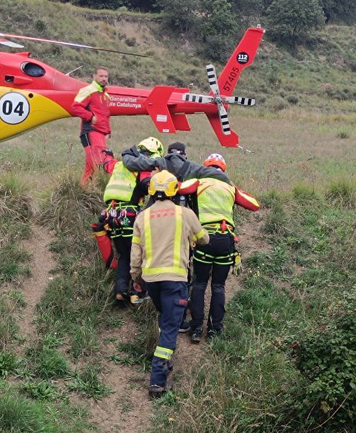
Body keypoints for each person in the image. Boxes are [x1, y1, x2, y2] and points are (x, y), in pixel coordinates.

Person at [130, 170, 209, 399]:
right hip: (175, 280)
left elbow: (136, 254)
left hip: (151, 280)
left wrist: (136, 278)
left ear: (152, 191)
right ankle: (157, 380)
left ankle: (166, 359)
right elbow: (204, 238)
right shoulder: (184, 214)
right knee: (171, 328)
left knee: (166, 318)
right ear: (175, 191)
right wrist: (196, 238)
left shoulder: (142, 217)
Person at [177, 153, 260, 343]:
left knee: (199, 284)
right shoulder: (229, 186)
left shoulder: (200, 182)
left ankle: (196, 328)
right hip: (226, 241)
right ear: (223, 169)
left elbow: (179, 189)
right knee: (218, 286)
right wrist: (234, 189)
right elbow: (255, 205)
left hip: (204, 239)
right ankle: (215, 330)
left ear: (205, 167)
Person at [101, 137, 162, 303]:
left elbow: (107, 164)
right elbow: (146, 185)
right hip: (129, 215)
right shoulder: (142, 167)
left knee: (124, 255)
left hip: (110, 215)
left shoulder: (119, 164)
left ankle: (120, 291)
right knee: (139, 254)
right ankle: (139, 293)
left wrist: (107, 155)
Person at [72, 67, 111, 187]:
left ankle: (89, 190)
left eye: (106, 76)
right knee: (93, 164)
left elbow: (105, 115)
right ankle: (84, 190)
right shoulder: (88, 90)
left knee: (97, 164)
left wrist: (108, 131)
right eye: (101, 76)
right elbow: (75, 107)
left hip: (101, 134)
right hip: (90, 131)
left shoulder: (106, 95)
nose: (104, 79)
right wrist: (90, 117)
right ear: (94, 76)